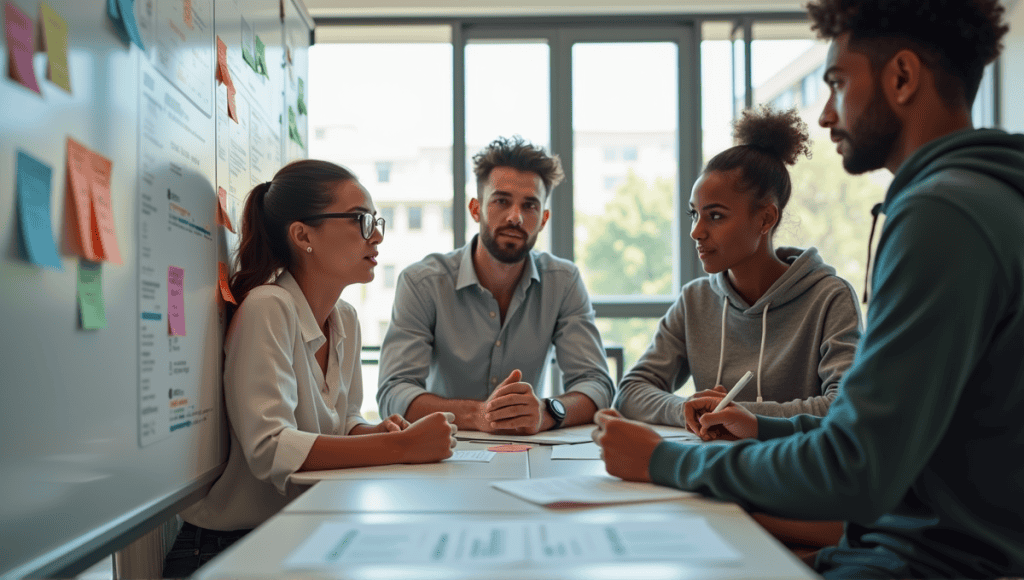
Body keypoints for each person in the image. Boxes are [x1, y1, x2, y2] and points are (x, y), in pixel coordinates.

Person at [594, 0, 1024, 577]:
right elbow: (884, 432)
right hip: (906, 540)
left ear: (901, 77)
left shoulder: (941, 214)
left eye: (837, 83)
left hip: (926, 561)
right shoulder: (982, 195)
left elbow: (856, 468)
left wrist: (663, 460)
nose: (825, 115)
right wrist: (764, 425)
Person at [163, 160, 457, 576]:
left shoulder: (347, 319)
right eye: (361, 220)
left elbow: (344, 421)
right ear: (302, 235)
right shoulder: (268, 307)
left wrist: (370, 432)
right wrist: (401, 448)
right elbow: (271, 449)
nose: (375, 236)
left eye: (376, 221)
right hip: (224, 549)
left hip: (300, 532)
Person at [613, 105, 862, 429]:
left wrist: (744, 416)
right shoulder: (695, 301)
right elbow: (630, 392)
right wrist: (687, 409)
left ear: (765, 219)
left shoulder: (830, 299)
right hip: (712, 468)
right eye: (694, 214)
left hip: (792, 473)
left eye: (715, 216)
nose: (696, 231)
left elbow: (845, 406)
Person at [377, 136, 614, 434]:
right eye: (501, 201)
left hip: (529, 452)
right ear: (476, 209)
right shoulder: (422, 282)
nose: (515, 217)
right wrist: (477, 415)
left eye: (530, 206)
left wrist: (546, 411)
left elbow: (597, 384)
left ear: (543, 219)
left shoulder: (563, 282)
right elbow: (394, 392)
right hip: (445, 451)